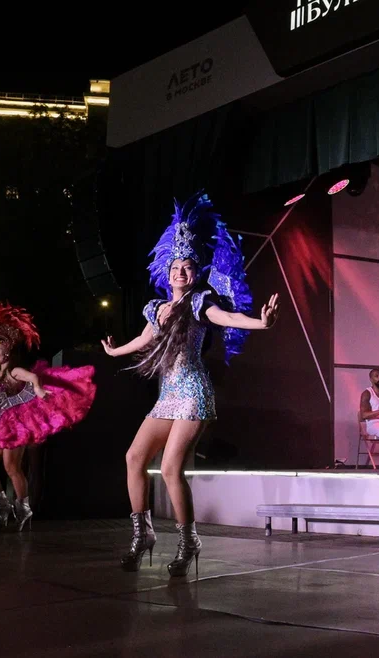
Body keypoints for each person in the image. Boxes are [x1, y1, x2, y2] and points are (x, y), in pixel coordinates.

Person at [103, 192, 280, 577]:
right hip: (167, 396)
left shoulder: (200, 304)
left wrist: (260, 323)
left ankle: (188, 541)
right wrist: (115, 351)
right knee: (134, 458)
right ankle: (143, 535)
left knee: (170, 468)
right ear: (167, 273)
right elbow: (144, 339)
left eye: (187, 267)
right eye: (175, 267)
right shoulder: (157, 308)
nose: (180, 272)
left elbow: (229, 319)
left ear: (195, 273)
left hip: (193, 394)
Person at [0, 303, 96, 530]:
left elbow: (33, 378)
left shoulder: (14, 371)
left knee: (11, 467)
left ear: (8, 352)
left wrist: (39, 390)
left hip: (13, 427)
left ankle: (23, 509)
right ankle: (3, 505)